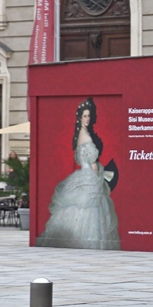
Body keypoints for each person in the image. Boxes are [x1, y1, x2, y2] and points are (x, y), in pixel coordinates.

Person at [37, 97, 120, 250]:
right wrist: (96, 171)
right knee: (90, 210)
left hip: (87, 176)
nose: (87, 119)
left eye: (89, 116)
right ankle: (86, 242)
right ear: (80, 118)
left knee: (85, 208)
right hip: (89, 177)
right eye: (85, 116)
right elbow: (90, 161)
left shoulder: (82, 134)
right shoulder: (85, 136)